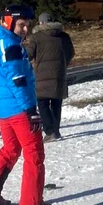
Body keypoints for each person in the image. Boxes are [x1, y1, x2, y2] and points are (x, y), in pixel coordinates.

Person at [0, 4, 61, 205]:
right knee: (34, 154)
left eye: (27, 25)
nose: (25, 30)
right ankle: (31, 204)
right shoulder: (10, 46)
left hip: (4, 111)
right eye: (22, 25)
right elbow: (18, 81)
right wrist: (30, 110)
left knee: (10, 150)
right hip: (19, 110)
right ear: (8, 21)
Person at [26, 13, 75, 143]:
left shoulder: (36, 37)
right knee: (56, 104)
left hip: (42, 76)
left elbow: (29, 55)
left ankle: (49, 131)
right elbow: (71, 53)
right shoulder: (64, 36)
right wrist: (63, 65)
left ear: (41, 23)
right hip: (59, 74)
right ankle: (56, 130)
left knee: (42, 104)